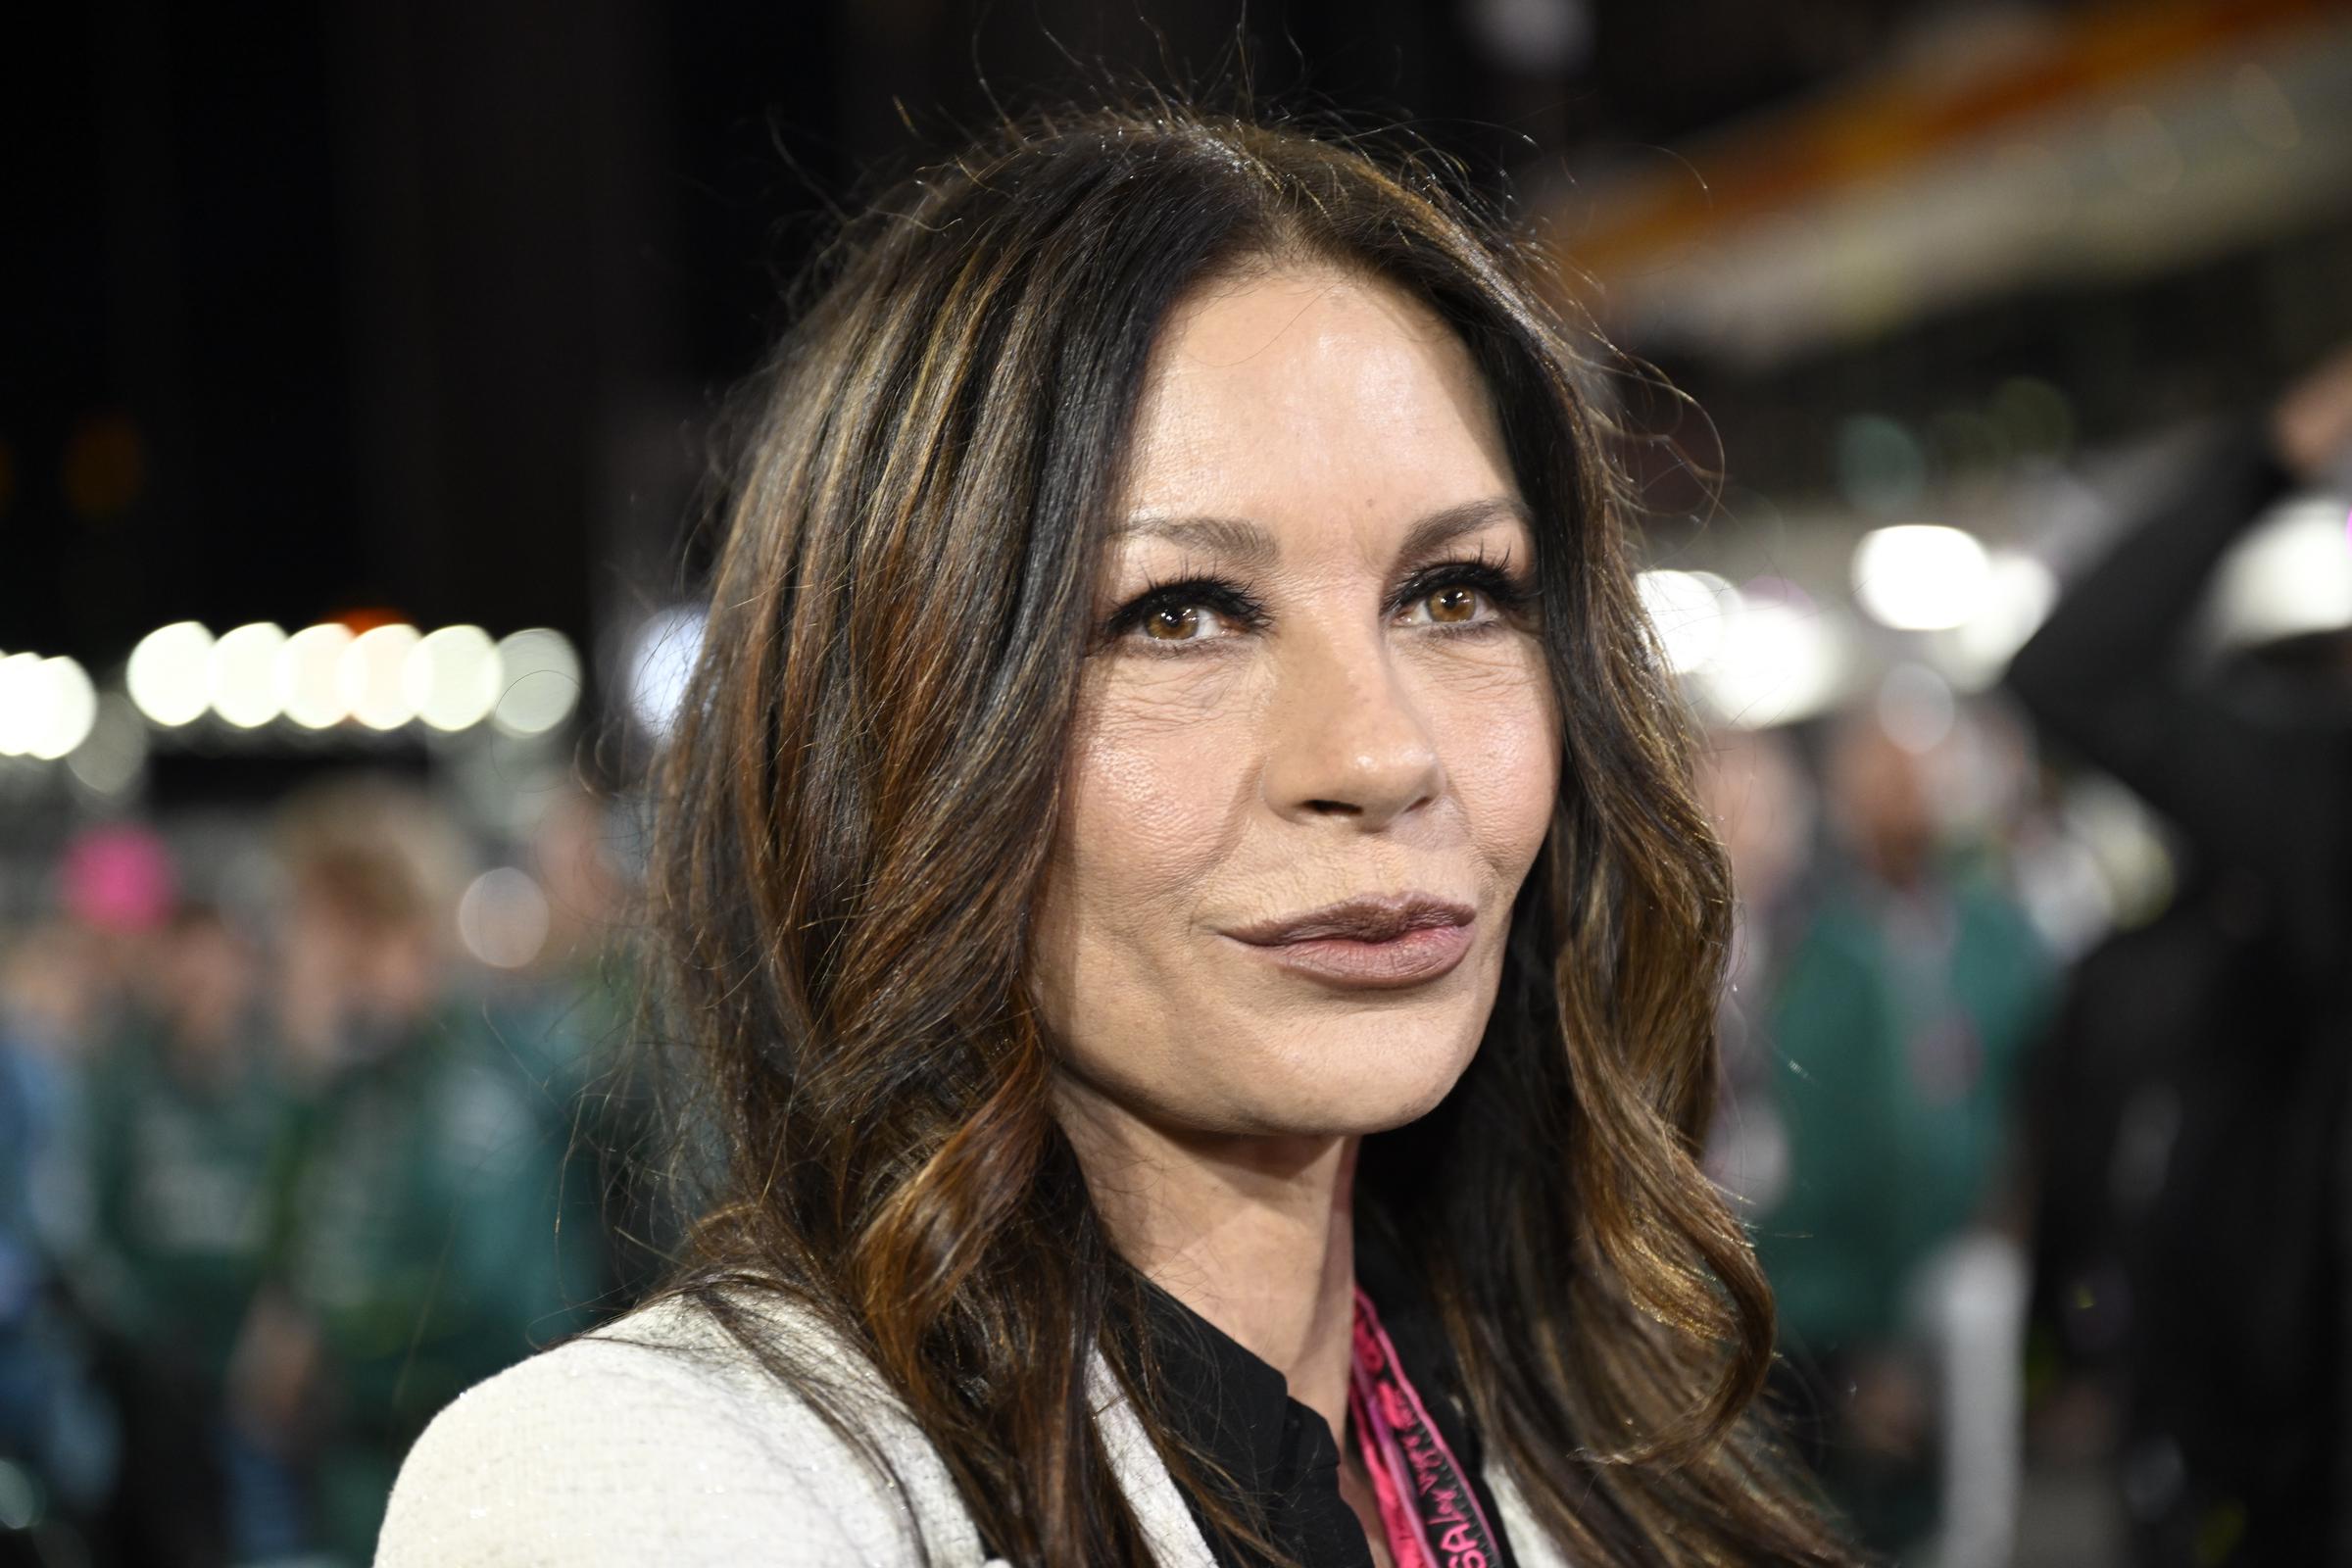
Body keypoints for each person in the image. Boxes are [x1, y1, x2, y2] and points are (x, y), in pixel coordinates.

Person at [375, 101, 1859, 1566]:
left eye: (1454, 592)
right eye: (1182, 616)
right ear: (900, 728)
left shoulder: (1611, 1464)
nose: (1382, 753)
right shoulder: (653, 1495)